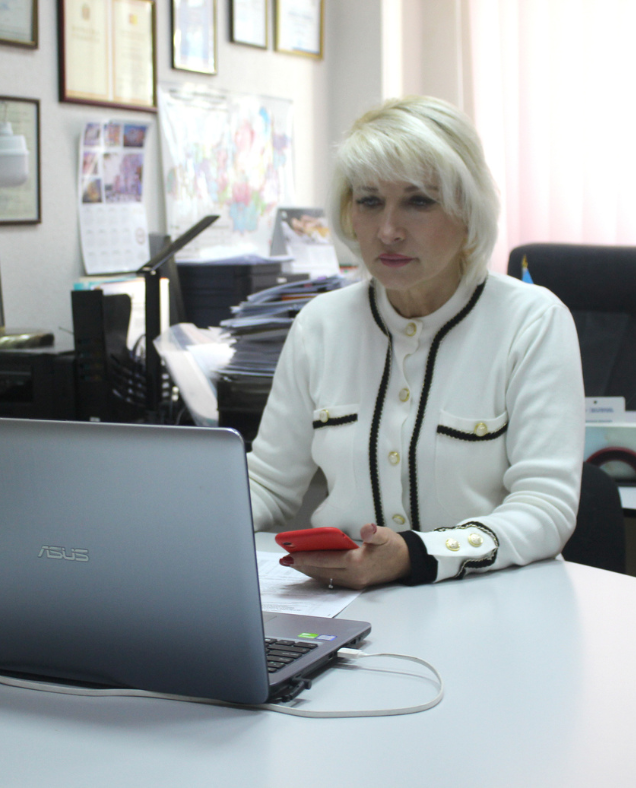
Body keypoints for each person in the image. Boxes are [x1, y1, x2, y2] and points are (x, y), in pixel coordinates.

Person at [247, 96, 585, 588]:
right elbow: (268, 484)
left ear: (467, 212)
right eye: (369, 202)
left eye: (419, 201)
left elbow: (546, 508)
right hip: (343, 603)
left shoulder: (531, 321)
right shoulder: (321, 324)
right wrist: (184, 522)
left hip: (491, 602)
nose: (388, 231)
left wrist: (418, 555)